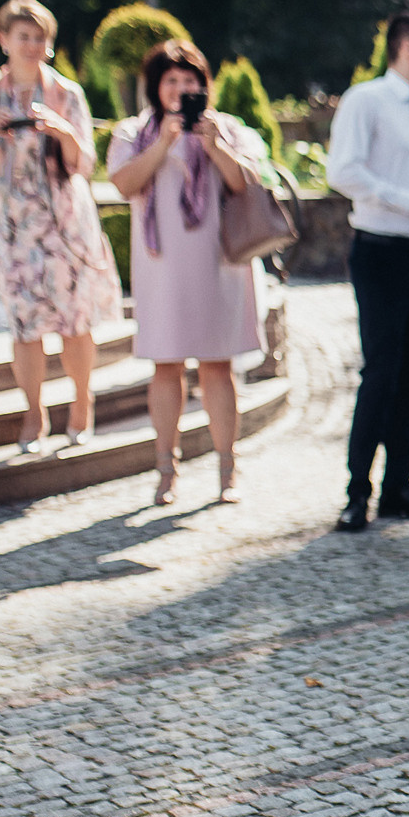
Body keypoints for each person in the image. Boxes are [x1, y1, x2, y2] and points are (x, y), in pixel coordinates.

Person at [0, 0, 121, 452]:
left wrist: (63, 130)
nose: (33, 45)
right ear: (4, 40)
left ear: (48, 44)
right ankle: (33, 415)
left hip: (64, 220)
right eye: (24, 37)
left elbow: (86, 163)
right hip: (11, 225)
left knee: (75, 322)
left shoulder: (66, 94)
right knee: (24, 324)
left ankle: (81, 402)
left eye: (40, 38)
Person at [106, 40, 264, 505]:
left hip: (219, 263)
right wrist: (165, 143)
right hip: (162, 266)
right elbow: (124, 184)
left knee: (218, 365)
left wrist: (213, 145)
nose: (181, 89)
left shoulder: (227, 128)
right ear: (155, 86)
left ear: (203, 85)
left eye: (190, 81)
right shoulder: (133, 132)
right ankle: (165, 469)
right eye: (171, 80)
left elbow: (244, 184)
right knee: (166, 365)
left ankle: (226, 467)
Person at [326, 13, 409, 532]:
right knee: (380, 371)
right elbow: (343, 171)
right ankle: (357, 491)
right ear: (406, 47)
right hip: (381, 251)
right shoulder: (367, 100)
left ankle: (399, 487)